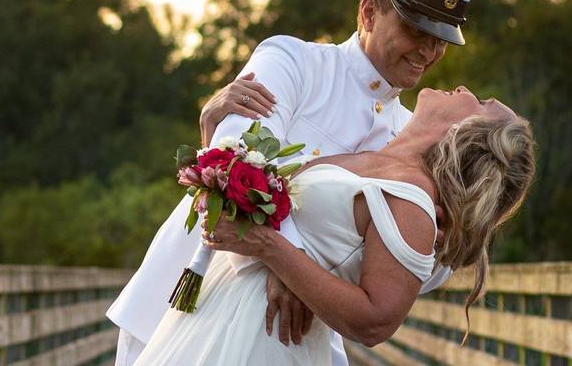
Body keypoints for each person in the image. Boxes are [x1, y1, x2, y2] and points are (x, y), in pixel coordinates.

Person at [107, 0, 491, 366]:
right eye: (416, 30)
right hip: (184, 305)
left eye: (440, 41)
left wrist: (443, 240)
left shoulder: (414, 132)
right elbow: (236, 159)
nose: (428, 52)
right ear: (368, 12)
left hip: (292, 338)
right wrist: (290, 260)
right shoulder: (292, 62)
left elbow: (406, 272)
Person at [133, 86, 536, 365]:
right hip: (212, 317)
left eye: (479, 100)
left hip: (262, 339)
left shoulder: (414, 200)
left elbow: (376, 320)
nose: (464, 88)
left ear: (467, 131)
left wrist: (268, 247)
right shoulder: (376, 159)